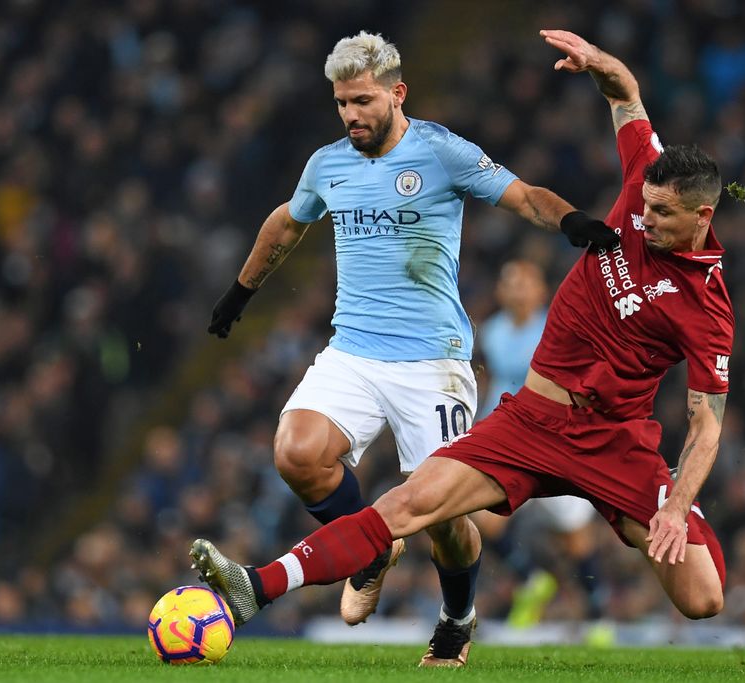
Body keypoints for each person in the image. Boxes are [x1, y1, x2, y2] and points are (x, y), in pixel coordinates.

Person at [199, 30, 619, 668]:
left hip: (433, 363)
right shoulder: (327, 164)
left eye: (362, 101)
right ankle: (370, 553)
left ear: (397, 93)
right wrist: (240, 292)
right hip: (353, 351)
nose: (351, 115)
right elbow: (287, 222)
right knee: (296, 452)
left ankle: (457, 616)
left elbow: (523, 195)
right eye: (342, 103)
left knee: (443, 516)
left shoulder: (441, 151)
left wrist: (571, 222)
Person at [472, 259, 600, 625]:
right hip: (504, 441)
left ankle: (597, 615)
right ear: (500, 292)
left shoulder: (555, 329)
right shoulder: (491, 332)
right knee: (480, 517)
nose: (517, 290)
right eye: (510, 283)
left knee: (576, 540)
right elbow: (490, 381)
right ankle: (530, 579)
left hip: (552, 443)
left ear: (541, 291)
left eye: (524, 282)